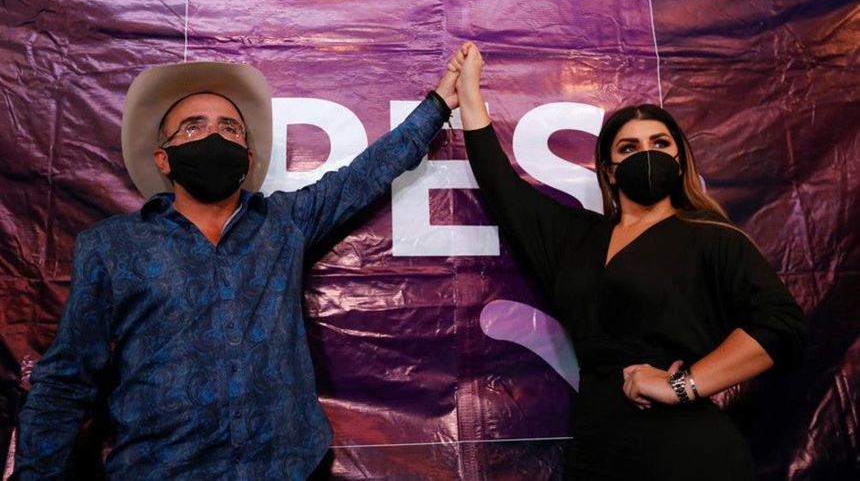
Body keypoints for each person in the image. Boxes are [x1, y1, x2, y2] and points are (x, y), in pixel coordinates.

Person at [14, 54, 461, 479]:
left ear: (247, 156)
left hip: (289, 469)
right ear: (163, 158)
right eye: (193, 127)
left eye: (230, 128)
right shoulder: (112, 246)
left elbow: (366, 174)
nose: (215, 136)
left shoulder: (284, 224)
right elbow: (65, 383)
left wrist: (439, 103)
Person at [453, 42, 806, 480]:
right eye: (629, 147)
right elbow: (499, 182)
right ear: (609, 169)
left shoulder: (711, 237)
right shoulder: (576, 237)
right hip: (597, 445)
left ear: (679, 158)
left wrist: (683, 385)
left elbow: (781, 325)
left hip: (687, 452)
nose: (647, 154)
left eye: (660, 143)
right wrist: (468, 90)